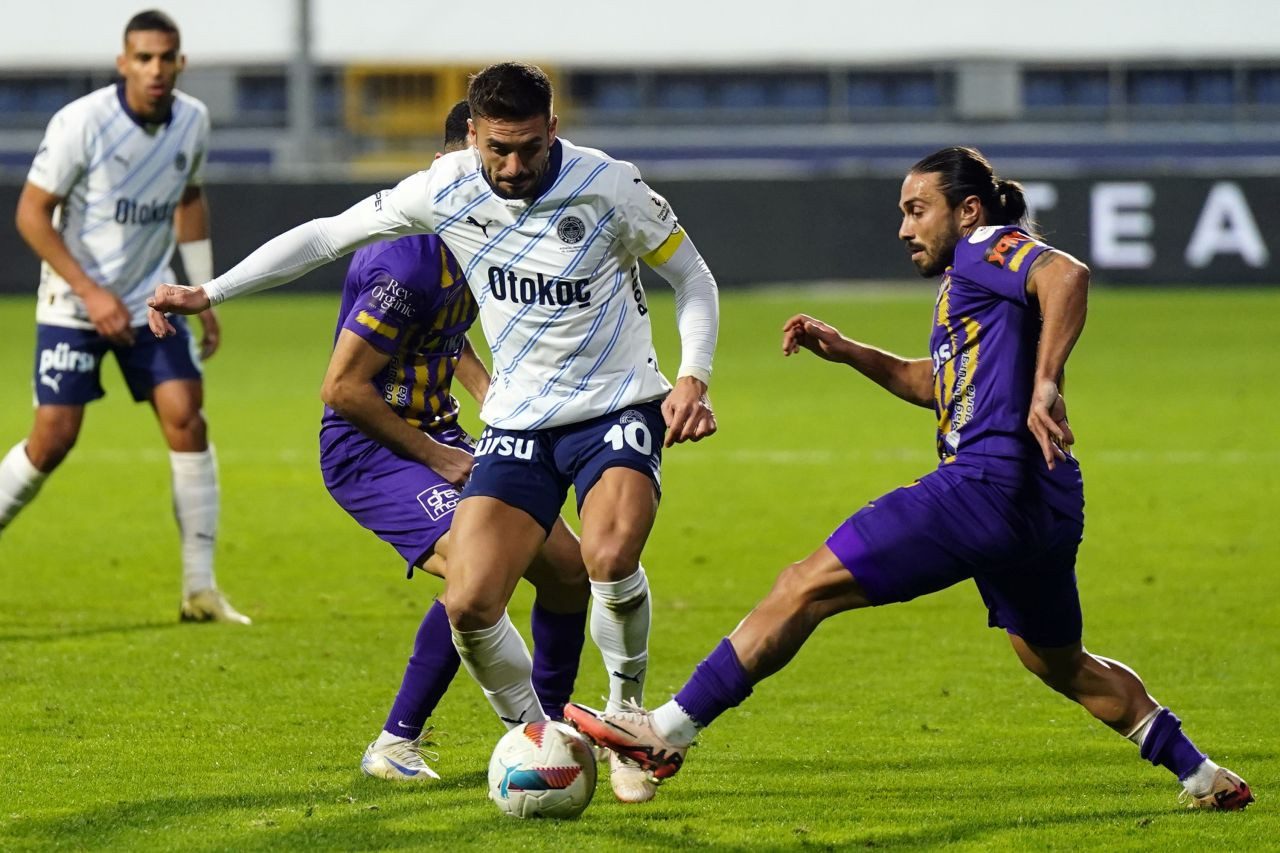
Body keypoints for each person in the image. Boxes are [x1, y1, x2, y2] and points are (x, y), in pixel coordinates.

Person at [565, 146, 1253, 813]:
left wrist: (1045, 384)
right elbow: (938, 384)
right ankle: (1201, 772)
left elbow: (1068, 274)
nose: (904, 227)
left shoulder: (988, 246)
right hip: (1044, 504)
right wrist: (849, 351)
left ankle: (665, 733)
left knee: (803, 585)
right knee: (1060, 661)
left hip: (984, 485)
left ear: (967, 209)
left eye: (917, 209)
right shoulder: (972, 284)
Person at [147, 63, 720, 802]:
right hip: (515, 426)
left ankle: (624, 715)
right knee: (472, 601)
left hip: (615, 403)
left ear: (554, 130)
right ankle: (533, 735)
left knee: (603, 556)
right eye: (497, 151)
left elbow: (694, 278)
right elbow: (326, 236)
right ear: (471, 138)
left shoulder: (610, 186)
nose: (512, 168)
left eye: (528, 149)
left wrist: (693, 376)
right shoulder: (445, 193)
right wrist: (210, 290)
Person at [320, 100, 594, 790]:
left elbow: (444, 335)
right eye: (486, 164)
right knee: (479, 575)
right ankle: (404, 742)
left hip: (439, 432)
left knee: (568, 568)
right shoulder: (404, 260)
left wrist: (487, 392)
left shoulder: (477, 239)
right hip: (371, 450)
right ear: (448, 164)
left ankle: (553, 724)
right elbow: (343, 388)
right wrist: (440, 456)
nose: (504, 179)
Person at [0, 9, 248, 624]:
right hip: (73, 302)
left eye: (166, 57)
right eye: (144, 58)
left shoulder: (192, 120)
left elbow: (189, 197)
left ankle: (200, 591)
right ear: (123, 63)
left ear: (180, 62)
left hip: (147, 302)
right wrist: (90, 291)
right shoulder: (82, 122)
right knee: (53, 437)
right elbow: (32, 213)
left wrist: (201, 288)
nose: (156, 69)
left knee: (186, 419)